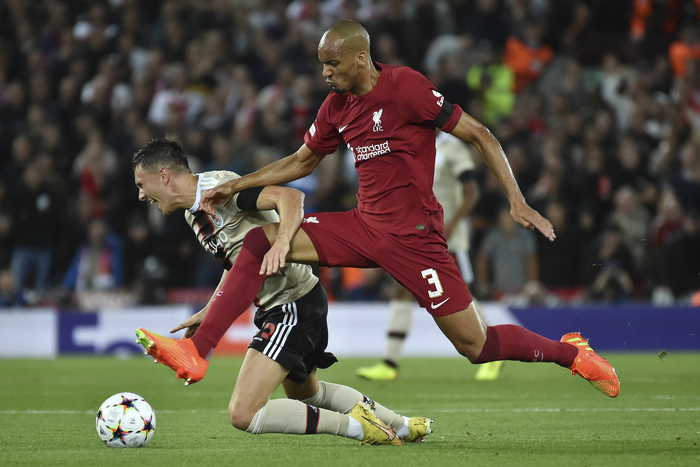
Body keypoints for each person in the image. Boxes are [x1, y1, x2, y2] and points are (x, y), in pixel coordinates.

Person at [143, 20, 619, 399]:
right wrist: (238, 185)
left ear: (360, 58)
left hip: (415, 239)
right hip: (363, 225)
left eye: (332, 63)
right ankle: (197, 351)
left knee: (477, 346)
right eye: (321, 64)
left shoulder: (406, 87)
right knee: (257, 240)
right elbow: (303, 161)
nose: (325, 73)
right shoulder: (336, 106)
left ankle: (571, 354)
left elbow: (480, 134)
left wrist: (517, 199)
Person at [133, 138, 430, 445]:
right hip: (290, 302)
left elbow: (290, 197)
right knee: (309, 394)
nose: (141, 195)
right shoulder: (192, 213)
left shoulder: (222, 189)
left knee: (243, 413)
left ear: (164, 175)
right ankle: (403, 425)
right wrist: (210, 308)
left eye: (142, 184)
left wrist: (283, 241)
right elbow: (236, 261)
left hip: (291, 304)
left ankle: (359, 427)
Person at [355, 131, 504, 381]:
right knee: (403, 288)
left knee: (462, 292)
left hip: (449, 234)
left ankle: (494, 354)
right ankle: (389, 362)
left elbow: (472, 193)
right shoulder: (412, 143)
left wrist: (453, 224)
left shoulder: (453, 149)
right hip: (418, 231)